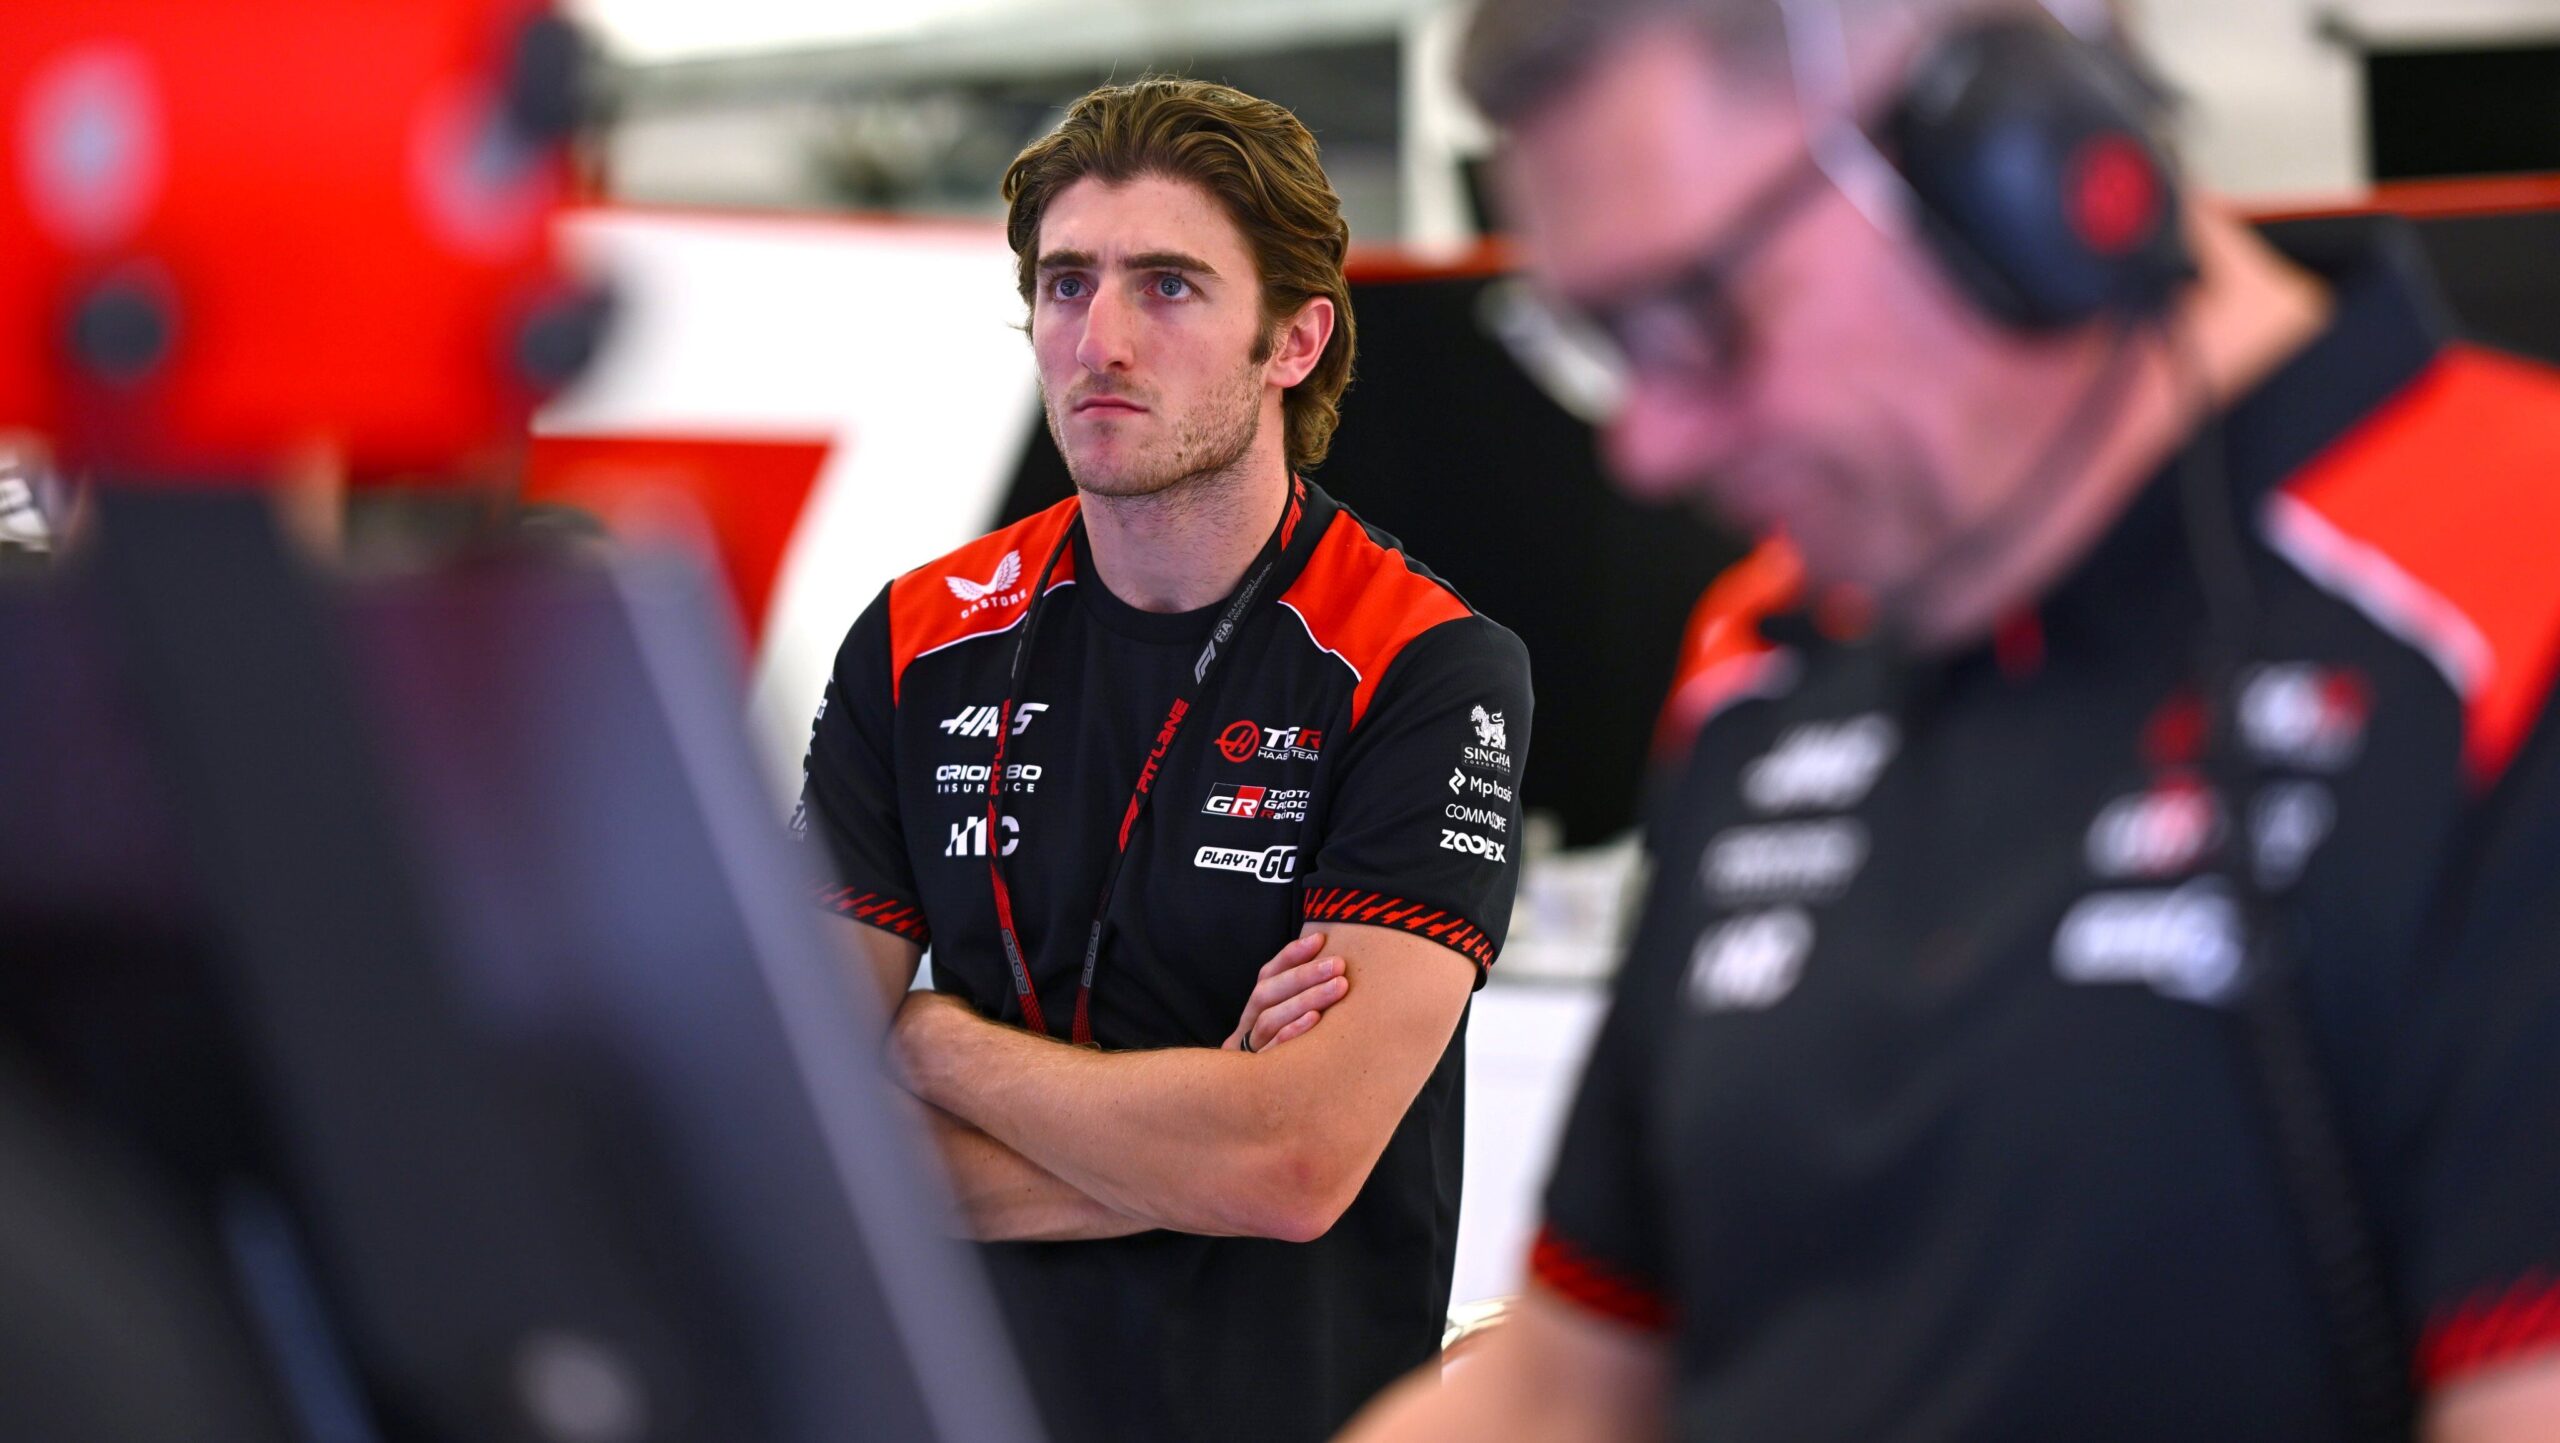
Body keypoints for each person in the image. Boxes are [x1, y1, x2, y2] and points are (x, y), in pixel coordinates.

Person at [1341, 1, 2560, 1439]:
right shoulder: (1769, 662)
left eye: (1697, 316)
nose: (1650, 446)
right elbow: (1566, 1391)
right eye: (1600, 342)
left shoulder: (2508, 612)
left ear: (2018, 166)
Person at [792, 78, 1535, 1443]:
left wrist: (935, 1043)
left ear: (1294, 339)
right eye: (1066, 285)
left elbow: (1294, 1163)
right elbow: (796, 1129)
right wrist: (1201, 1146)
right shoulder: (915, 640)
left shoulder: (1422, 663)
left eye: (1170, 286)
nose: (1101, 341)